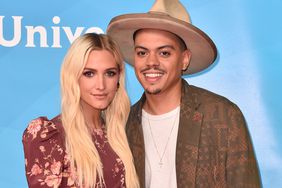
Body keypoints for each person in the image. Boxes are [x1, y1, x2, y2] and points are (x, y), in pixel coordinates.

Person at [107, 0, 262, 187]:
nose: (151, 62)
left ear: (184, 59)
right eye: (142, 53)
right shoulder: (122, 124)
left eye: (164, 53)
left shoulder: (223, 115)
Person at [22, 33, 139, 188]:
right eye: (89, 73)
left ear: (118, 79)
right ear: (73, 77)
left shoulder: (121, 135)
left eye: (109, 73)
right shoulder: (49, 136)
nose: (101, 85)